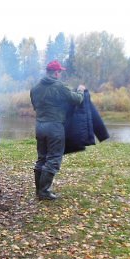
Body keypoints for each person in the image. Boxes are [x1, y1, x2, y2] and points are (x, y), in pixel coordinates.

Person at [30, 60, 85, 200]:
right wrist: (80, 90)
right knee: (54, 158)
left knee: (42, 158)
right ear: (55, 72)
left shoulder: (35, 88)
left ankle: (39, 190)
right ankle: (44, 192)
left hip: (39, 126)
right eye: (60, 71)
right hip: (54, 126)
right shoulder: (59, 86)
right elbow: (77, 100)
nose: (60, 74)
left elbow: (35, 106)